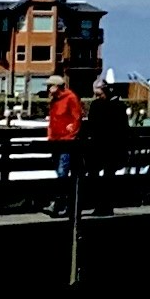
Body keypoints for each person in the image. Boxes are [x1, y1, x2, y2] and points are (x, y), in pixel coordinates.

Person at [73, 76, 133, 215]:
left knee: (104, 175)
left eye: (98, 93)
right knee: (105, 176)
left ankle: (102, 205)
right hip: (107, 147)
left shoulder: (101, 106)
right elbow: (124, 129)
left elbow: (93, 126)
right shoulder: (117, 106)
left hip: (104, 147)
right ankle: (103, 205)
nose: (97, 96)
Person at [44, 75, 86, 215]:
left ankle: (59, 204)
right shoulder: (54, 101)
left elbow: (77, 118)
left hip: (67, 143)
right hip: (56, 142)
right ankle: (62, 203)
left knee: (62, 173)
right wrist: (50, 136)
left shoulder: (71, 98)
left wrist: (70, 135)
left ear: (58, 86)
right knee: (58, 171)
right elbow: (53, 121)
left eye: (50, 86)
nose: (48, 89)